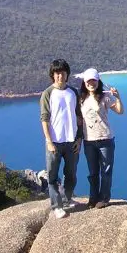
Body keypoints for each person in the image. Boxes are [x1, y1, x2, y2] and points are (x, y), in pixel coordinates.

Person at [39, 59, 83, 219]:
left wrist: (79, 139)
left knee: (71, 174)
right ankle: (56, 206)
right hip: (55, 142)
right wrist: (49, 141)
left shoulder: (73, 92)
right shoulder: (47, 93)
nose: (60, 76)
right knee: (52, 176)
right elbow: (44, 119)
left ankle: (67, 199)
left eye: (63, 72)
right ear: (53, 75)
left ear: (67, 74)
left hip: (72, 141)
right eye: (57, 73)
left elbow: (79, 117)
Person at [79, 68, 124, 209]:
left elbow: (120, 111)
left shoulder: (105, 96)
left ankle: (104, 198)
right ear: (84, 82)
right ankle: (93, 198)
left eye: (94, 80)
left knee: (106, 171)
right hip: (89, 141)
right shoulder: (81, 98)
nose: (91, 83)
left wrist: (118, 97)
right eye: (88, 81)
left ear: (98, 81)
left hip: (105, 139)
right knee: (92, 172)